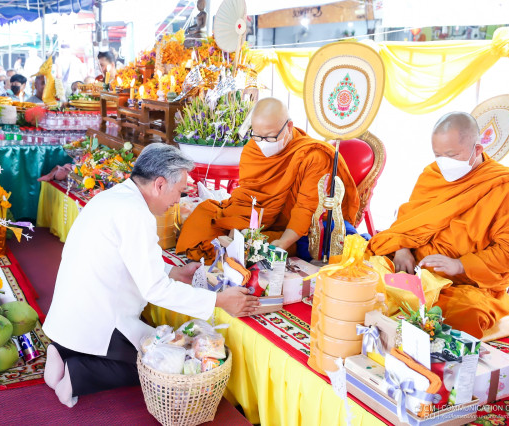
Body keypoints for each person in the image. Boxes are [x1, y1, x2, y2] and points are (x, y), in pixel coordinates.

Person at [42, 144, 258, 407]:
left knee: (154, 347)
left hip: (71, 312)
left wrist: (174, 272)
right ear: (159, 184)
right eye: (180, 191)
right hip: (101, 317)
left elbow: (134, 259)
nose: (178, 201)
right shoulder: (135, 213)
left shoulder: (114, 198)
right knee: (161, 365)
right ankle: (77, 375)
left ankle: (63, 350)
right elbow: (155, 289)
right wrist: (218, 301)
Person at [369, 112, 509, 338]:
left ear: (477, 150)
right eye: (438, 154)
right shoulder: (433, 174)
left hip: (464, 283)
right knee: (365, 276)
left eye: (451, 155)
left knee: (460, 315)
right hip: (414, 268)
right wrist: (402, 249)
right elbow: (408, 221)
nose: (443, 162)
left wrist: (460, 265)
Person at [176, 97, 360, 262]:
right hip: (259, 218)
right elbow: (248, 194)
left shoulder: (312, 156)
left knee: (256, 248)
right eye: (257, 135)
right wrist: (238, 226)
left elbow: (305, 207)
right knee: (203, 220)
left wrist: (283, 242)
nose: (262, 143)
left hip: (292, 227)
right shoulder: (253, 148)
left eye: (270, 137)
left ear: (288, 127)